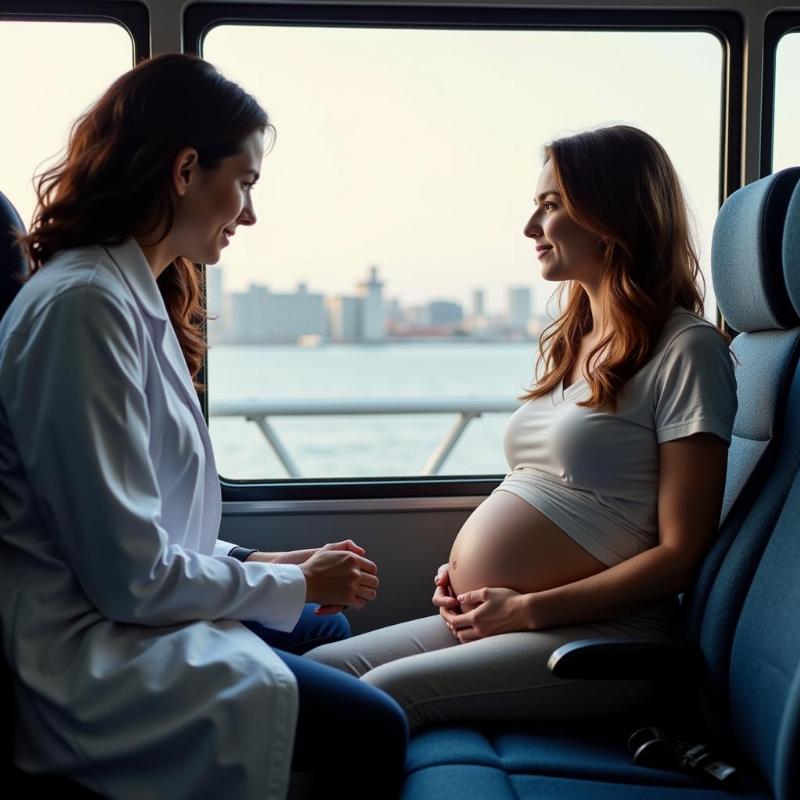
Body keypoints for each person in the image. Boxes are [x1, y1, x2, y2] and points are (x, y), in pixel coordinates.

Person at [0, 54, 407, 799]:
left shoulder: (128, 293)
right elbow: (128, 575)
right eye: (245, 182)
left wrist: (268, 556)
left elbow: (141, 515)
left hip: (126, 604)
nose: (249, 212)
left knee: (325, 627)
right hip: (88, 647)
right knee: (375, 729)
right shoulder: (83, 308)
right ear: (187, 170)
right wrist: (286, 578)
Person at [305, 125, 738, 731]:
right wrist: (466, 579)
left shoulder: (687, 350)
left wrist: (527, 606)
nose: (530, 228)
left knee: (371, 706)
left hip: (603, 637)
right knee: (315, 676)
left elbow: (679, 555)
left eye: (551, 205)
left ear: (611, 214)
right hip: (513, 616)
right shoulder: (574, 342)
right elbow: (539, 490)